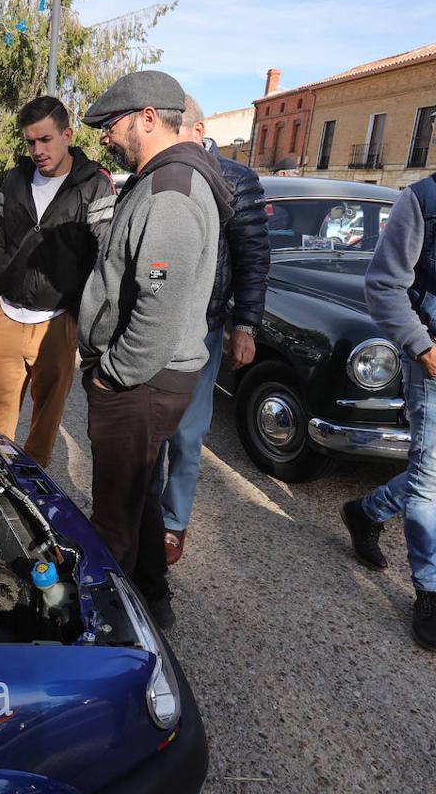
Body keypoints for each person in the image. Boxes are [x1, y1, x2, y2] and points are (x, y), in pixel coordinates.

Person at [77, 70, 232, 629]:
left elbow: (158, 312)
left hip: (141, 381)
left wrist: (112, 375)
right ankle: (153, 598)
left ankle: (111, 636)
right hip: (148, 379)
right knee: (139, 496)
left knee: (113, 517)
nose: (104, 137)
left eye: (111, 125)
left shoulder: (170, 191)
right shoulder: (164, 179)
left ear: (146, 118)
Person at [341, 80, 436, 654]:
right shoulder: (425, 200)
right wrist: (428, 351)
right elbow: (383, 285)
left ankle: (366, 510)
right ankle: (432, 590)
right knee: (430, 483)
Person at [155, 96, 270, 564]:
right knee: (150, 429)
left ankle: (172, 521)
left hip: (203, 329)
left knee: (187, 432)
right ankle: (143, 512)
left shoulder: (237, 180)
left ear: (198, 131)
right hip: (157, 324)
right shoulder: (161, 173)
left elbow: (253, 258)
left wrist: (246, 324)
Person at [0, 96, 114, 468]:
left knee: (45, 423)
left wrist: (81, 316)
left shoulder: (93, 184)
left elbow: (105, 255)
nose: (38, 150)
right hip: (5, 313)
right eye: (31, 142)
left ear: (67, 135)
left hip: (56, 323)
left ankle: (31, 494)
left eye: (46, 139)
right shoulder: (15, 179)